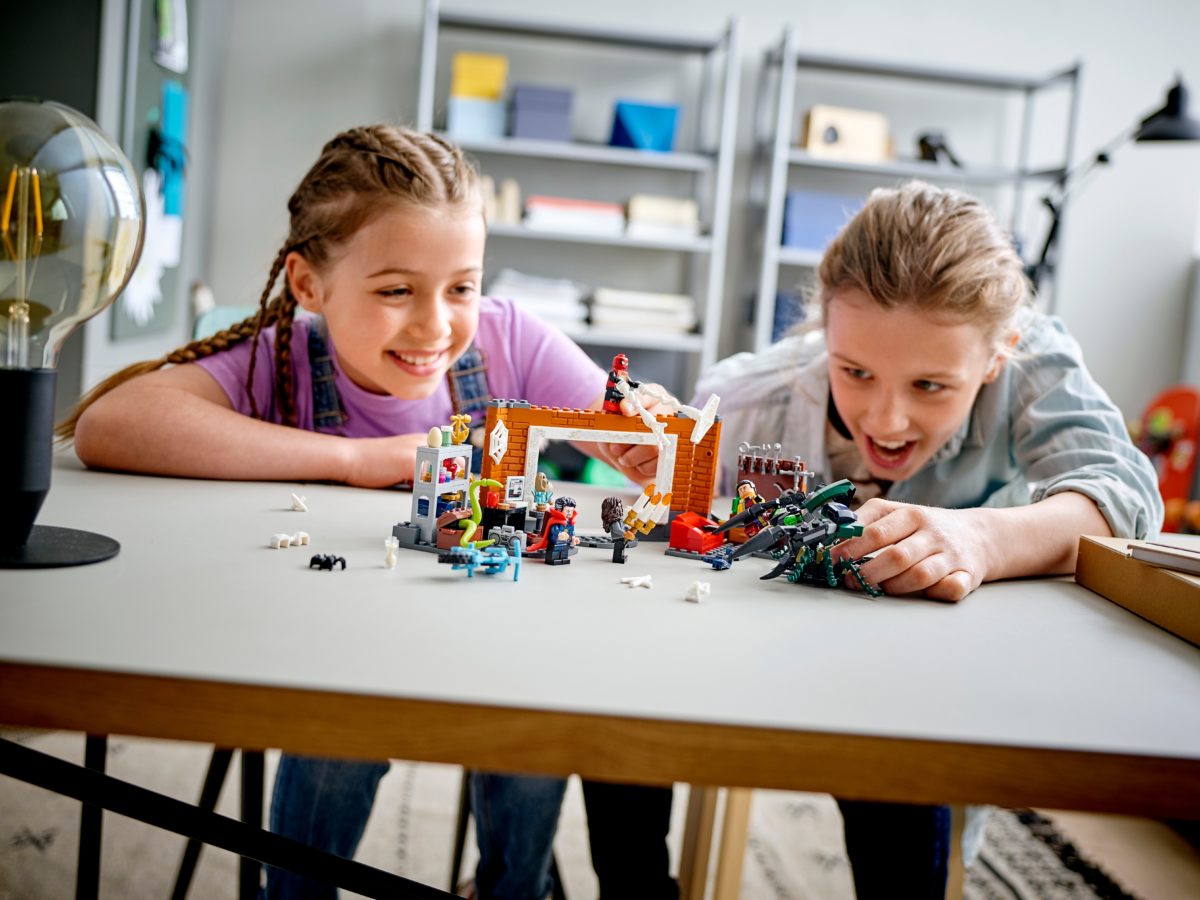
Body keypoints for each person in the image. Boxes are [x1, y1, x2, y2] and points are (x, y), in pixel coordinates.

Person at [61, 124, 675, 900]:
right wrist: (355, 460)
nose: (436, 326)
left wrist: (643, 436)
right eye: (395, 290)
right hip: (334, 659)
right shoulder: (279, 358)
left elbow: (621, 423)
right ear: (308, 285)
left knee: (532, 737)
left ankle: (515, 888)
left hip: (496, 651)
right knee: (337, 743)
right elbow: (111, 423)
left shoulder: (509, 339)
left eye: (461, 287)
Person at [694, 180, 1161, 898]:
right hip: (781, 656)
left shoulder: (1032, 358)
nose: (886, 422)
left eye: (931, 387)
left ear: (999, 356)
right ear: (825, 334)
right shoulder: (749, 402)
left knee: (909, 803)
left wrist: (981, 539)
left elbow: (1126, 494)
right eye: (855, 372)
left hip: (946, 683)